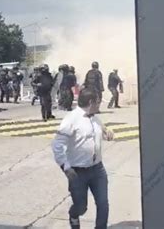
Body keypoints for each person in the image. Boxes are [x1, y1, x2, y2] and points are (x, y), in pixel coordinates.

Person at [52, 88, 114, 229]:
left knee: (103, 203)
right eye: (98, 102)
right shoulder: (71, 119)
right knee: (81, 207)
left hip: (98, 169)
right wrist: (66, 167)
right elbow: (57, 145)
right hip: (77, 172)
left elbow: (102, 130)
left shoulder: (94, 117)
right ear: (91, 102)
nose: (99, 105)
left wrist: (107, 133)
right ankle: (74, 215)